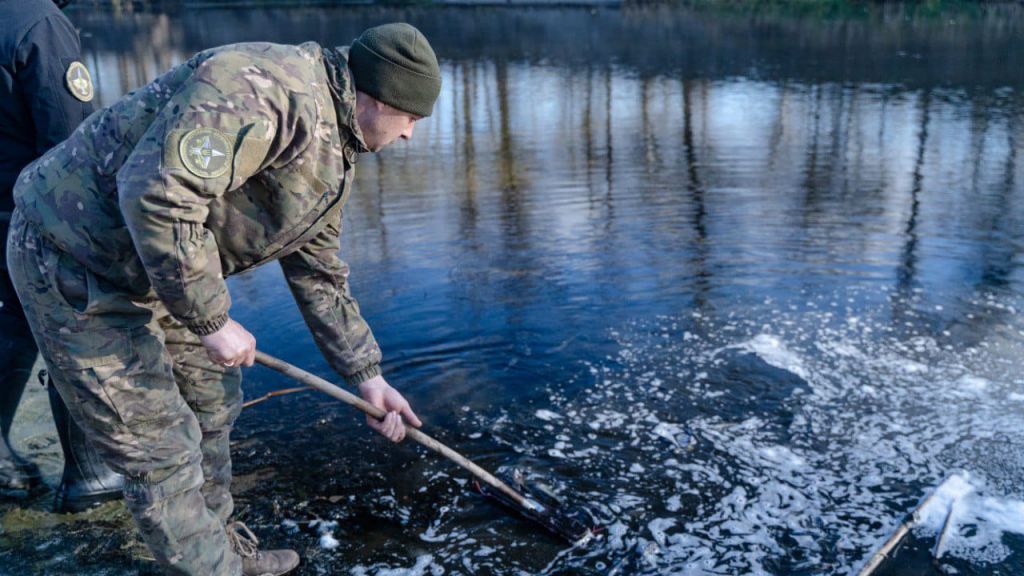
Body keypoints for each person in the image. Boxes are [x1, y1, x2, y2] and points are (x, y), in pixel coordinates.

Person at [7, 22, 439, 576]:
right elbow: (157, 191)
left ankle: (220, 549)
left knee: (210, 398)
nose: (409, 136)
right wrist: (212, 319)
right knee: (160, 446)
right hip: (71, 253)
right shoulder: (263, 90)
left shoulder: (336, 142)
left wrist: (368, 377)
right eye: (412, 120)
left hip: (153, 263)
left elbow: (319, 271)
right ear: (379, 101)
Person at [0, 0, 124, 512]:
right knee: (68, 325)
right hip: (28, 215)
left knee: (11, 329)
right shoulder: (40, 24)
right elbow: (72, 149)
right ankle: (91, 474)